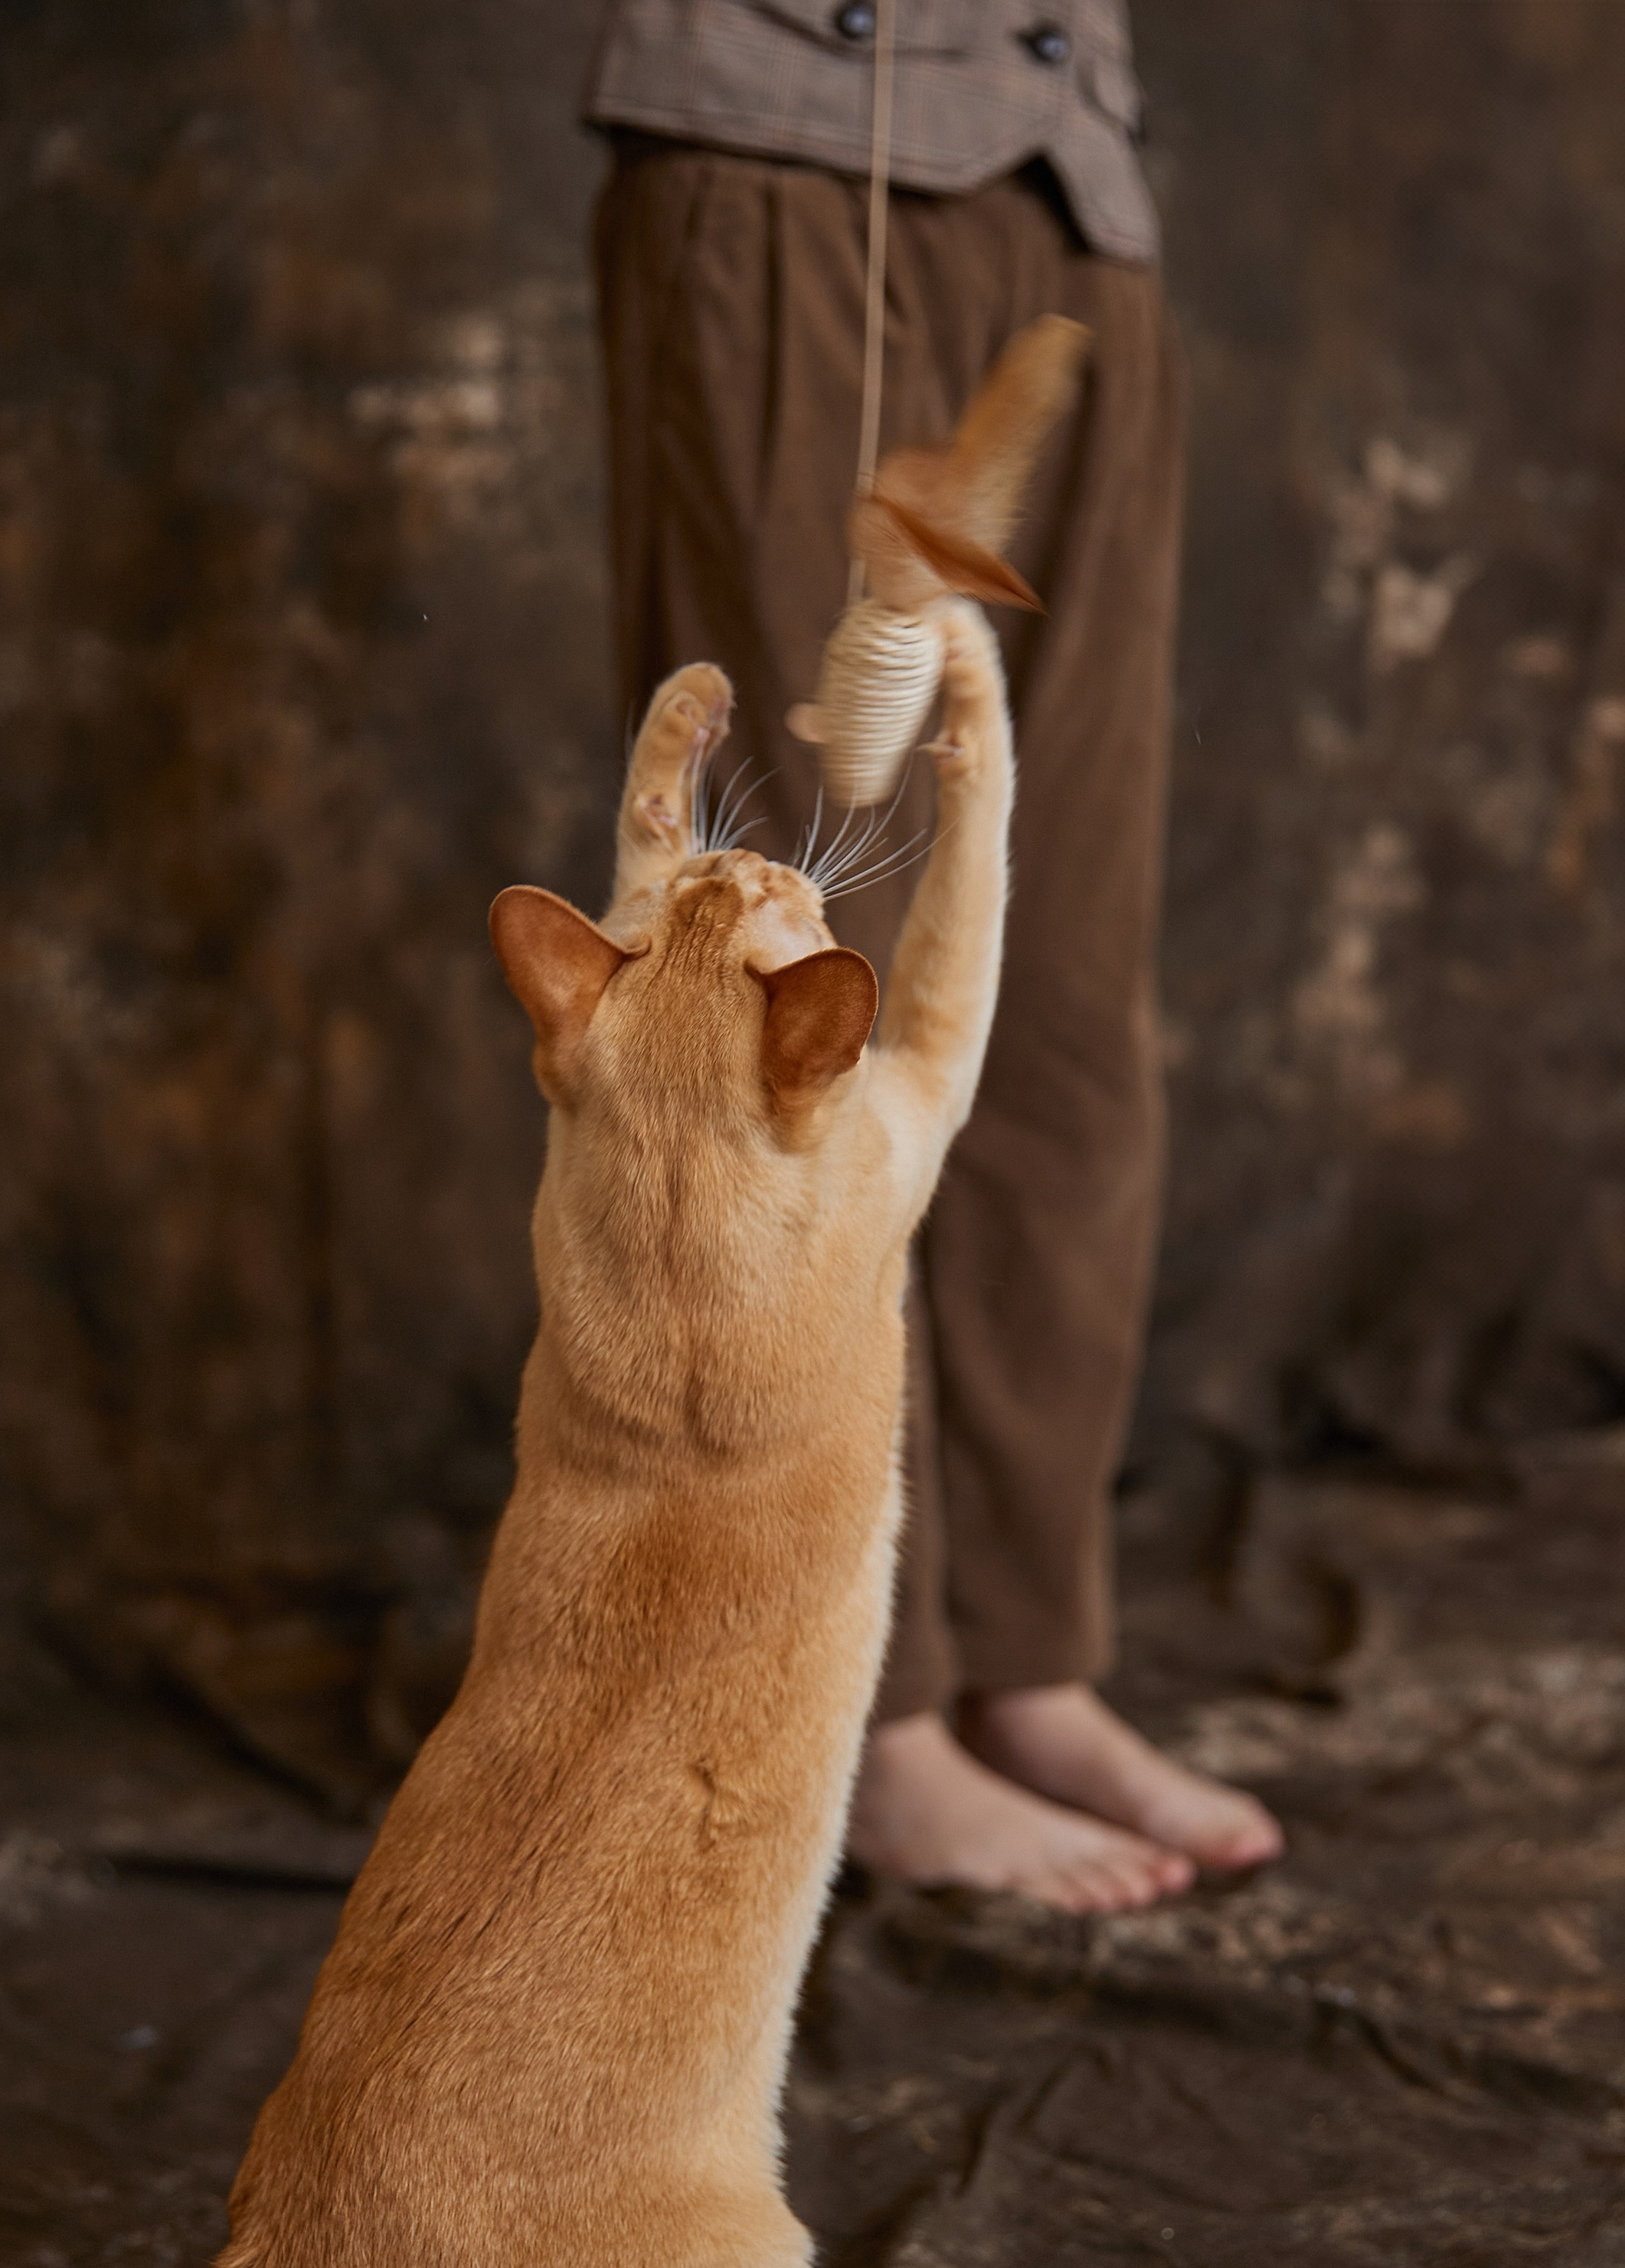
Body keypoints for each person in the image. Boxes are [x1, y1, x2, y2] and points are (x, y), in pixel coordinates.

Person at [581, 0, 1281, 1911]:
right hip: (794, 160)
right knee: (794, 994)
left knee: (1051, 986)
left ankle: (1027, 1659)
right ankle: (866, 1717)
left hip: (1074, 196)